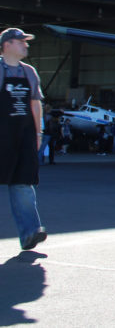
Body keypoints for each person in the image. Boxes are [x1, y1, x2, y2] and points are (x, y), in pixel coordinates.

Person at [0, 28, 47, 250]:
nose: (26, 45)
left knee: (23, 183)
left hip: (23, 136)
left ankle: (30, 233)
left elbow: (35, 103)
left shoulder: (29, 71)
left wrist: (38, 133)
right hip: (2, 134)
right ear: (7, 44)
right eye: (21, 42)